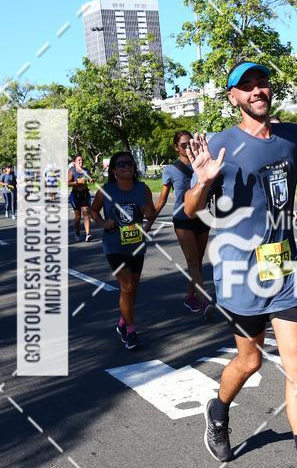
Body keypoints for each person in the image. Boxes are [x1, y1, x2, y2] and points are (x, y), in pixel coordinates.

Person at [184, 61, 297, 468]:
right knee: (250, 361)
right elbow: (189, 211)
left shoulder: (294, 137)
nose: (257, 91)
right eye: (247, 86)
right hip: (240, 273)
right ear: (233, 98)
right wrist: (203, 183)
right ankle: (218, 409)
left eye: (262, 83)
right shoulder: (219, 143)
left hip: (284, 268)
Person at [90, 151, 156, 350]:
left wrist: (147, 216)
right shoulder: (106, 190)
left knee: (132, 289)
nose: (127, 167)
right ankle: (130, 331)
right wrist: (103, 222)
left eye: (130, 164)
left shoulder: (142, 189)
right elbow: (93, 210)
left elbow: (152, 213)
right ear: (113, 170)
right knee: (126, 287)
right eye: (122, 164)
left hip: (136, 245)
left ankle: (122, 323)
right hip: (114, 245)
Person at [154, 131, 213, 316]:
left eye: (190, 144)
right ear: (176, 148)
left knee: (198, 262)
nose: (187, 147)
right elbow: (162, 199)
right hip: (182, 220)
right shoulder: (170, 170)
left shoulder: (203, 164)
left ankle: (190, 296)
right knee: (193, 260)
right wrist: (148, 224)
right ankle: (204, 302)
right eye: (183, 145)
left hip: (203, 217)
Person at [68, 155, 93, 241]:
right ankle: (77, 232)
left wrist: (91, 180)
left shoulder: (86, 170)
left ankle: (88, 234)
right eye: (78, 160)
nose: (80, 161)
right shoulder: (71, 171)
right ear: (74, 162)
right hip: (75, 195)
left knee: (86, 213)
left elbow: (90, 179)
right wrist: (77, 182)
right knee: (78, 217)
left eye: (82, 160)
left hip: (85, 194)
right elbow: (67, 183)